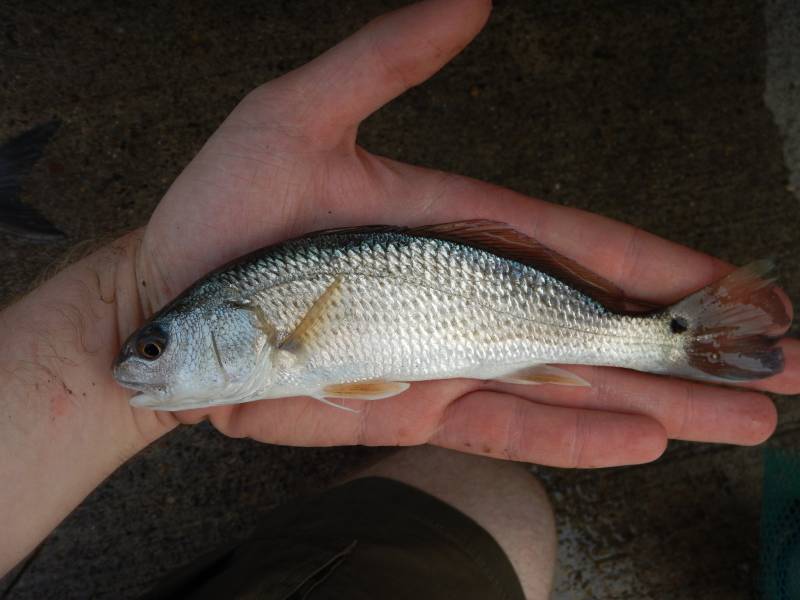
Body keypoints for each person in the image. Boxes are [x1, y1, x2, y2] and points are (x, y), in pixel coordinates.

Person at [1, 0, 796, 597]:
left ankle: (667, 339)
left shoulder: (253, 328)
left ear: (228, 328)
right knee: (493, 505)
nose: (137, 363)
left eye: (153, 347)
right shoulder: (250, 333)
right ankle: (669, 341)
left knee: (496, 501)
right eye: (150, 346)